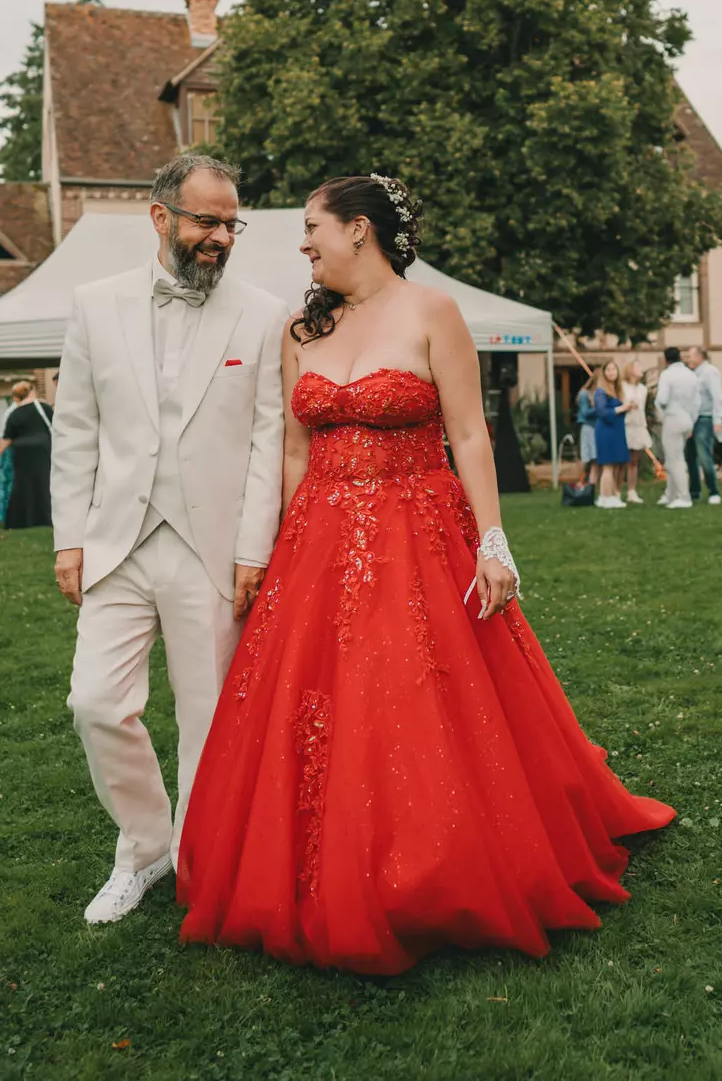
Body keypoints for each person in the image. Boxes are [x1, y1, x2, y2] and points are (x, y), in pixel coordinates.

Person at [178, 174, 674, 975]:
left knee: (416, 697)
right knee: (312, 705)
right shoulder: (302, 328)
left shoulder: (433, 312)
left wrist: (495, 542)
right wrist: (283, 555)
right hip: (317, 540)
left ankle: (433, 867)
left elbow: (470, 436)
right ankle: (311, 868)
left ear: (359, 230)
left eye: (312, 227)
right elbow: (295, 450)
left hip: (419, 531)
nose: (302, 244)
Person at [49, 153, 288, 925]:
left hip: (212, 549)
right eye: (206, 221)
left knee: (208, 717)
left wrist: (254, 549)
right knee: (94, 702)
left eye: (231, 223)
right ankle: (144, 845)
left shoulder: (264, 314)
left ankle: (199, 856)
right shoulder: (93, 304)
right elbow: (77, 429)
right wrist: (69, 537)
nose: (221, 236)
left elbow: (267, 441)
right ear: (161, 217)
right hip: (117, 541)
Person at [0, 380, 52, 529]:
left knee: (22, 485)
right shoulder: (44, 408)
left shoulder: (15, 413)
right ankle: (45, 517)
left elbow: (7, 438)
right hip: (43, 449)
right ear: (31, 392)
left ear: (16, 397)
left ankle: (22, 520)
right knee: (45, 483)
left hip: (23, 452)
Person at [653, 346, 700, 509]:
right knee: (674, 457)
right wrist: (692, 420)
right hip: (687, 419)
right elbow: (697, 402)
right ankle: (670, 494)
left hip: (673, 418)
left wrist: (659, 408)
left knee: (675, 459)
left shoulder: (667, 375)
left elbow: (663, 399)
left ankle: (683, 497)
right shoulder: (691, 375)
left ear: (666, 360)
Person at [684, 346, 722, 505]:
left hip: (705, 418)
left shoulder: (710, 372)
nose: (688, 359)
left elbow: (717, 397)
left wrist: (718, 420)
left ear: (700, 357)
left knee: (704, 455)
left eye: (691, 356)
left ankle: (713, 491)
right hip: (692, 419)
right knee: (690, 457)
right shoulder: (692, 374)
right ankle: (694, 492)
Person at [590, 360, 633, 508]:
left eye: (614, 369)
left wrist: (627, 408)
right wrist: (621, 409)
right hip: (606, 431)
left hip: (617, 430)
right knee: (607, 466)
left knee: (615, 465)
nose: (611, 372)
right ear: (604, 372)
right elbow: (602, 412)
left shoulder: (616, 390)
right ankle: (605, 497)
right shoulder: (600, 392)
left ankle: (609, 496)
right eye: (608, 369)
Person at [620, 360, 650, 505]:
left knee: (633, 461)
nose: (641, 370)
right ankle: (616, 491)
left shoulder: (643, 389)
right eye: (638, 367)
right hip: (624, 425)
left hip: (638, 425)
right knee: (620, 461)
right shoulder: (622, 387)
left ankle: (632, 491)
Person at [574, 379, 597, 486]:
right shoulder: (584, 394)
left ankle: (592, 484)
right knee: (586, 456)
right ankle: (580, 481)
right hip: (588, 427)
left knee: (595, 458)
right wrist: (598, 407)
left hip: (598, 427)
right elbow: (585, 413)